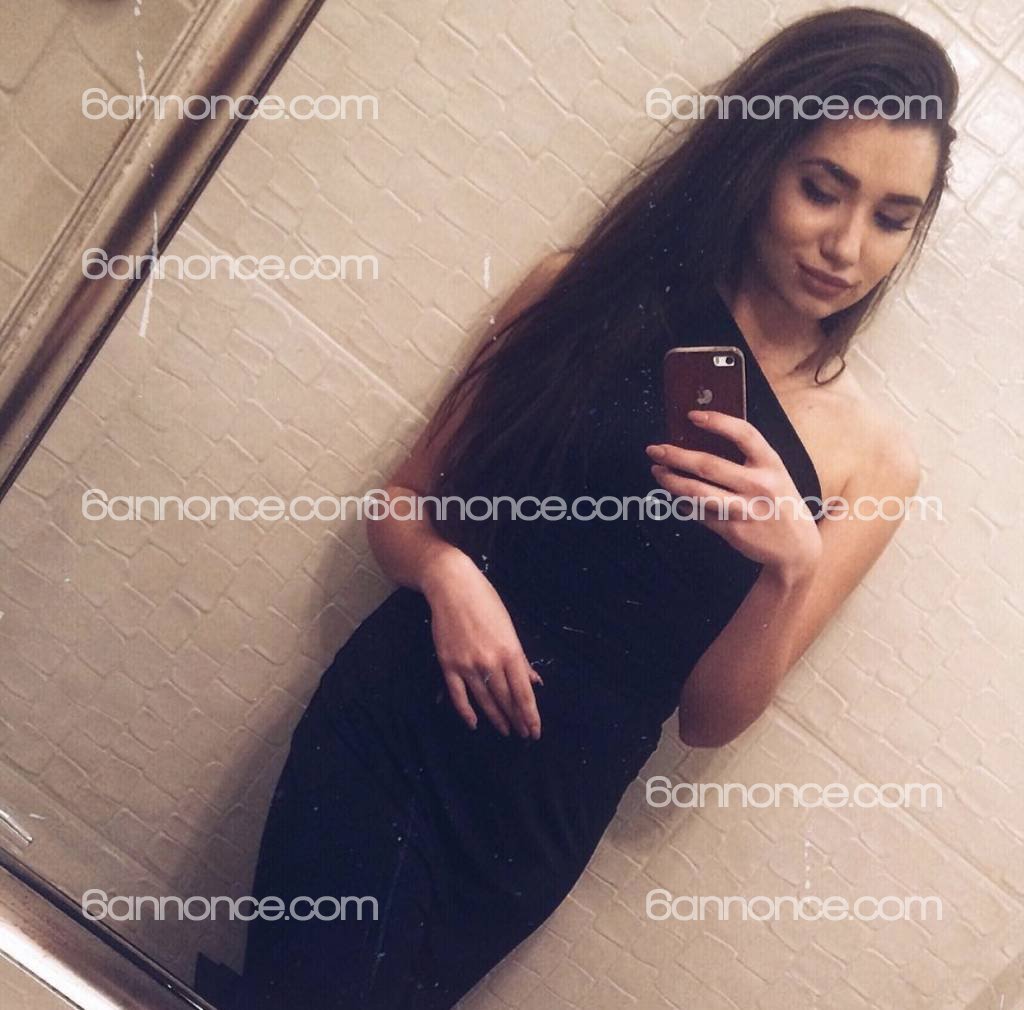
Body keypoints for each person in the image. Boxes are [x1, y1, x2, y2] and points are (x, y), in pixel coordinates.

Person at [215, 7, 959, 1008]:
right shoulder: (583, 292)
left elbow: (707, 720)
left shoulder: (874, 461)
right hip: (396, 725)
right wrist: (448, 573)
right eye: (821, 188)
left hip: (536, 824)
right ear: (758, 162)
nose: (846, 246)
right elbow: (404, 504)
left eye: (893, 217)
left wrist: (788, 568)